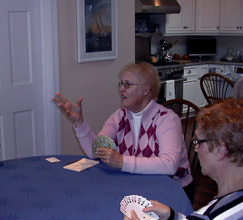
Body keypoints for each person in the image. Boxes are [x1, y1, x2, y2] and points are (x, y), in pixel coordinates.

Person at [53, 62, 193, 201]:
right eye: (120, 84)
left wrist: (122, 162)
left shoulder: (166, 119)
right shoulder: (119, 116)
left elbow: (169, 165)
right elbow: (95, 151)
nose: (121, 89)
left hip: (172, 191)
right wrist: (79, 121)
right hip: (136, 186)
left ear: (145, 89)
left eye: (127, 84)